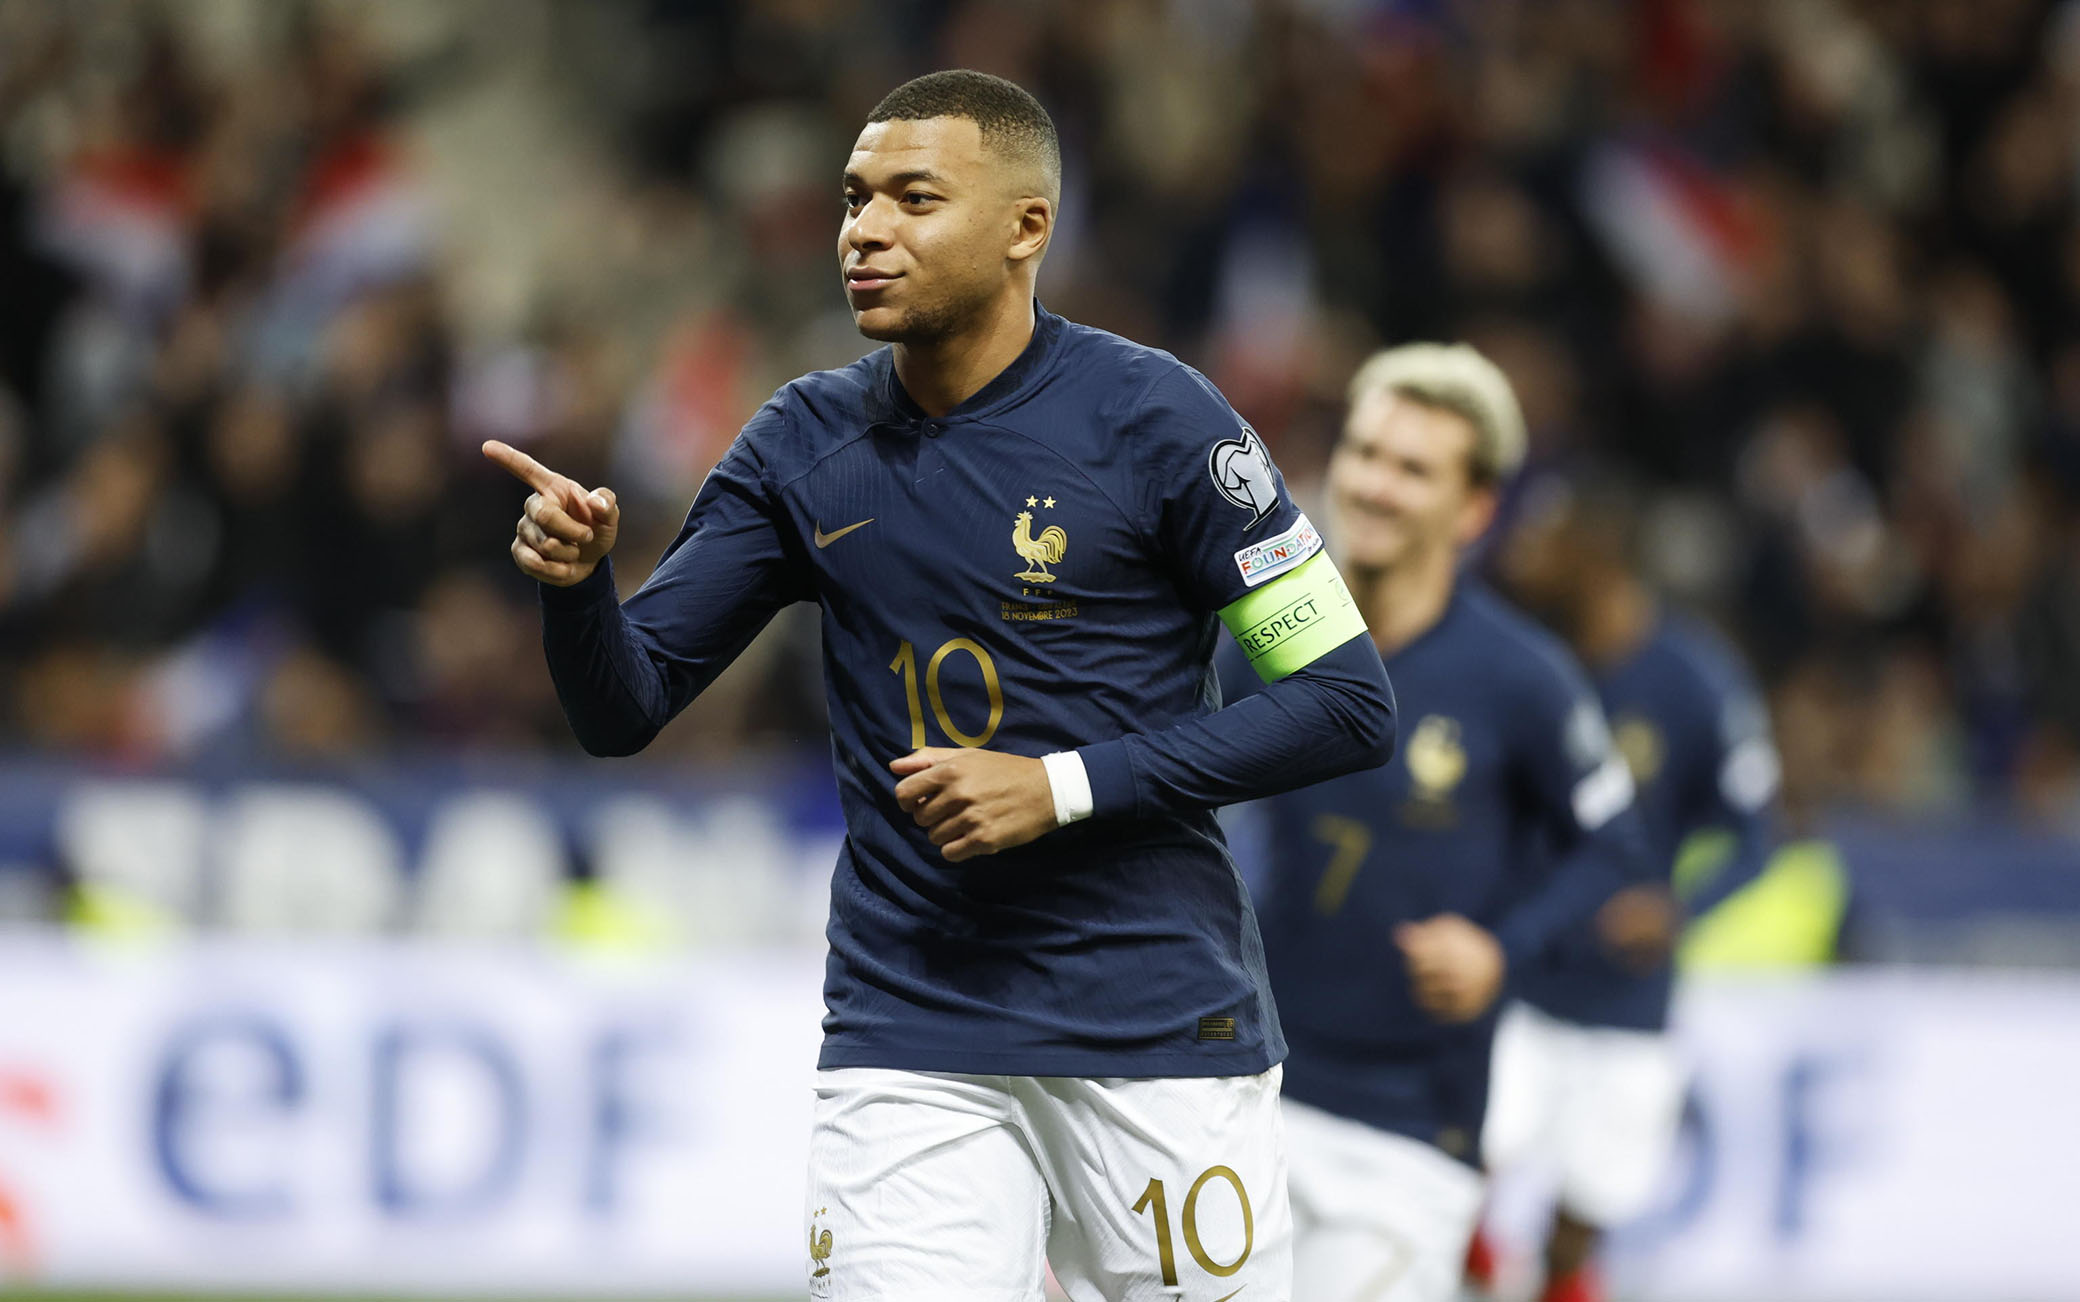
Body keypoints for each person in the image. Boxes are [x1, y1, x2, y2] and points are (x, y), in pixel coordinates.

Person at [486, 70, 1394, 1301]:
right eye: (855, 200)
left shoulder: (1164, 423)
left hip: (1156, 1021)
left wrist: (1060, 787)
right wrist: (580, 586)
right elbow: (622, 708)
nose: (865, 230)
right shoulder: (802, 445)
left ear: (1027, 228)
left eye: (915, 199)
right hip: (911, 1027)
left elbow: (1344, 702)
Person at [1219, 344, 1645, 1302]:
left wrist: (1503, 950)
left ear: (1476, 507)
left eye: (1413, 468)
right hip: (1240, 1088)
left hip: (1414, 1124)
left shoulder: (1522, 679)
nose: (1374, 484)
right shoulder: (1265, 634)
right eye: (1365, 453)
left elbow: (1614, 848)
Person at [1471, 468, 1781, 1302]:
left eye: (1547, 535)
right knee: (1461, 1186)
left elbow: (1756, 838)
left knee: (1578, 1233)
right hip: (1520, 982)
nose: (1523, 550)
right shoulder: (1524, 659)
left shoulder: (1694, 679)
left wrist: (1679, 910)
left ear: (1600, 554)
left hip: (1627, 1007)